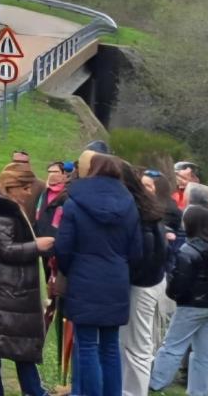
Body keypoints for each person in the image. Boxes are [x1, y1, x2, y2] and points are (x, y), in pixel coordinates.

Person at [54, 153, 142, 396]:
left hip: (83, 277)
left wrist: (69, 269)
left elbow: (63, 246)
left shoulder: (74, 202)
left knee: (87, 345)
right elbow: (136, 251)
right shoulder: (130, 205)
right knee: (111, 346)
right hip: (116, 278)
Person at [0, 163, 52, 396]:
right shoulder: (1, 212)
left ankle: (14, 390)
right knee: (14, 344)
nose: (29, 193)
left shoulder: (2, 207)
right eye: (26, 188)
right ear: (12, 186)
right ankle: (34, 391)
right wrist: (37, 246)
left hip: (2, 288)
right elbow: (6, 250)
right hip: (7, 290)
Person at [149, 205, 208, 396]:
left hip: (192, 305)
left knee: (173, 346)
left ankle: (154, 383)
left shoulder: (188, 250)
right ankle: (199, 391)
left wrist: (173, 294)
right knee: (203, 351)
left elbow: (180, 281)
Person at [122, 161, 172, 396]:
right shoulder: (151, 213)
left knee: (139, 345)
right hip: (151, 281)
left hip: (144, 284)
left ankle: (136, 391)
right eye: (142, 185)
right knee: (138, 342)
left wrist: (134, 275)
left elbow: (149, 253)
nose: (144, 189)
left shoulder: (147, 214)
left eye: (149, 185)